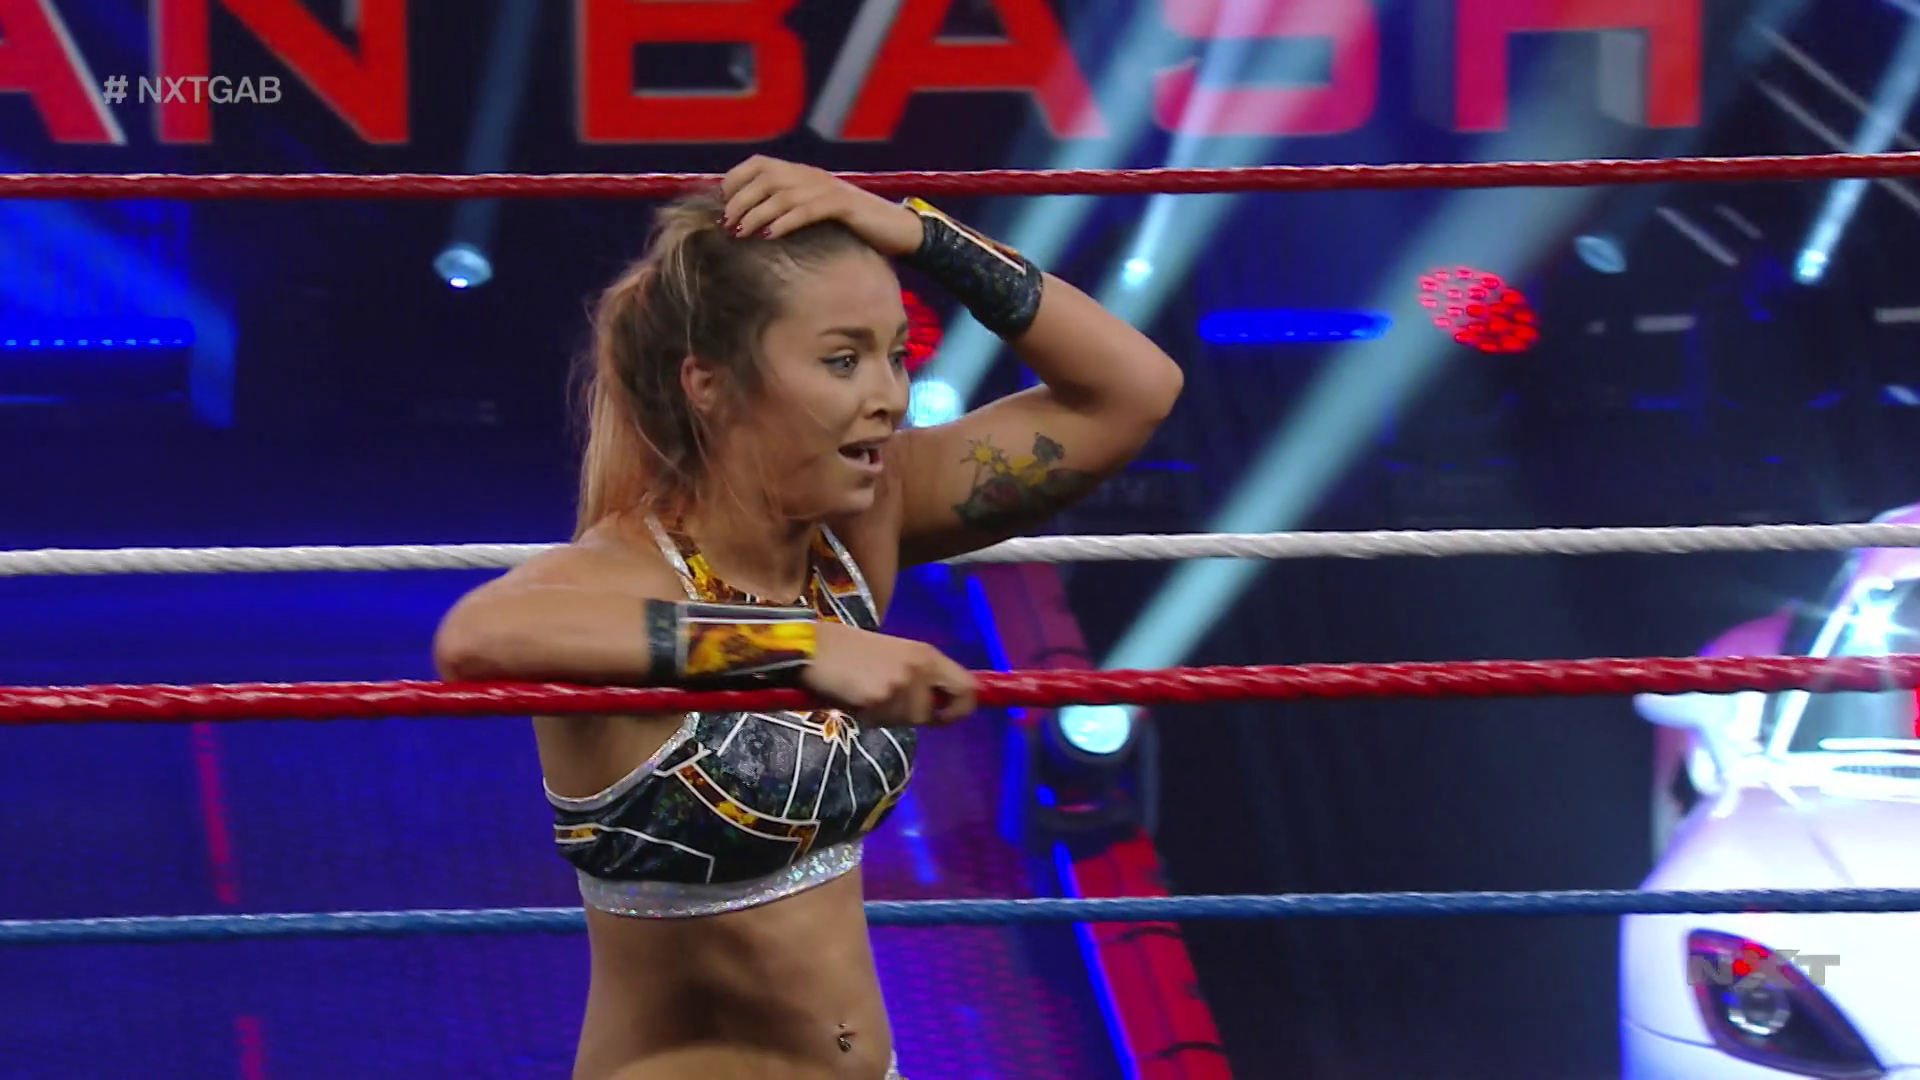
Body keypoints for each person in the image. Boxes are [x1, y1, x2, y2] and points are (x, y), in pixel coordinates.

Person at [433, 155, 1184, 1080]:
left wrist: (915, 228)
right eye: (842, 360)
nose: (889, 395)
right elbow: (476, 637)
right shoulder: (626, 566)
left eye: (895, 355)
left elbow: (1133, 390)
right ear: (709, 383)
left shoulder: (857, 528)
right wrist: (795, 647)